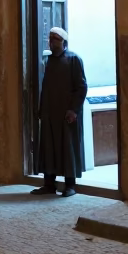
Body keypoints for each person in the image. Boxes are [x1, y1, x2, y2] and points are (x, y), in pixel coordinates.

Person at [30, 26, 87, 198]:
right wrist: (42, 109)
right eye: (51, 38)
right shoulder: (49, 61)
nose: (52, 41)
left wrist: (73, 110)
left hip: (66, 113)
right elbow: (46, 88)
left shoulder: (74, 59)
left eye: (55, 38)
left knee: (67, 147)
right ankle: (49, 184)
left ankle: (70, 185)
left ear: (63, 42)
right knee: (49, 148)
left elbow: (81, 87)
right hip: (49, 112)